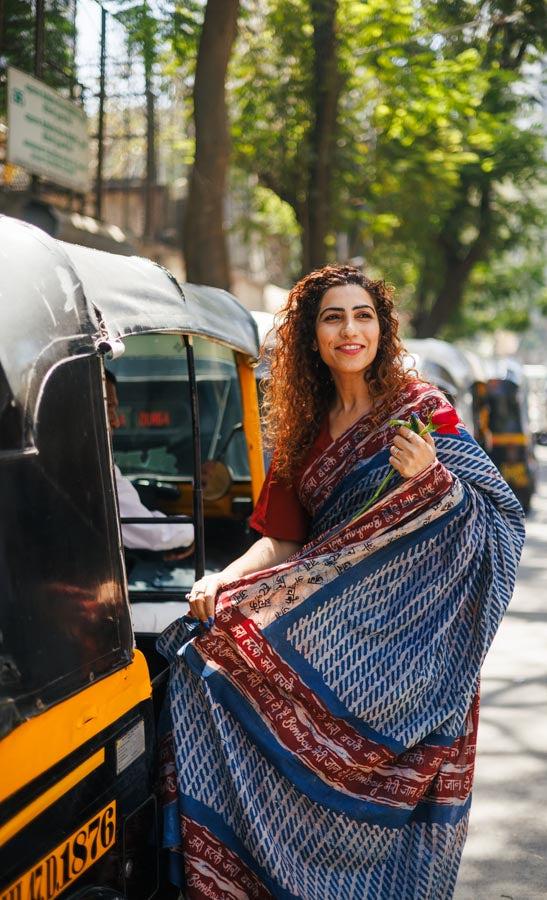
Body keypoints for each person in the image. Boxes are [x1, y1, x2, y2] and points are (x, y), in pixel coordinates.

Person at [158, 266, 525, 899]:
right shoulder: (302, 432)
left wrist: (433, 482)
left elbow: (499, 518)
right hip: (324, 631)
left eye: (363, 315)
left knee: (379, 814)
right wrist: (224, 576)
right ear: (313, 335)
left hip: (407, 645)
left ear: (382, 329)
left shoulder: (421, 412)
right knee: (197, 663)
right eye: (333, 317)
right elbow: (284, 540)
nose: (349, 330)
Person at [105, 370, 194, 556]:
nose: (116, 421)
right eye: (108, 408)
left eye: (114, 410)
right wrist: (192, 530)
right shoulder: (95, 468)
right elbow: (149, 531)